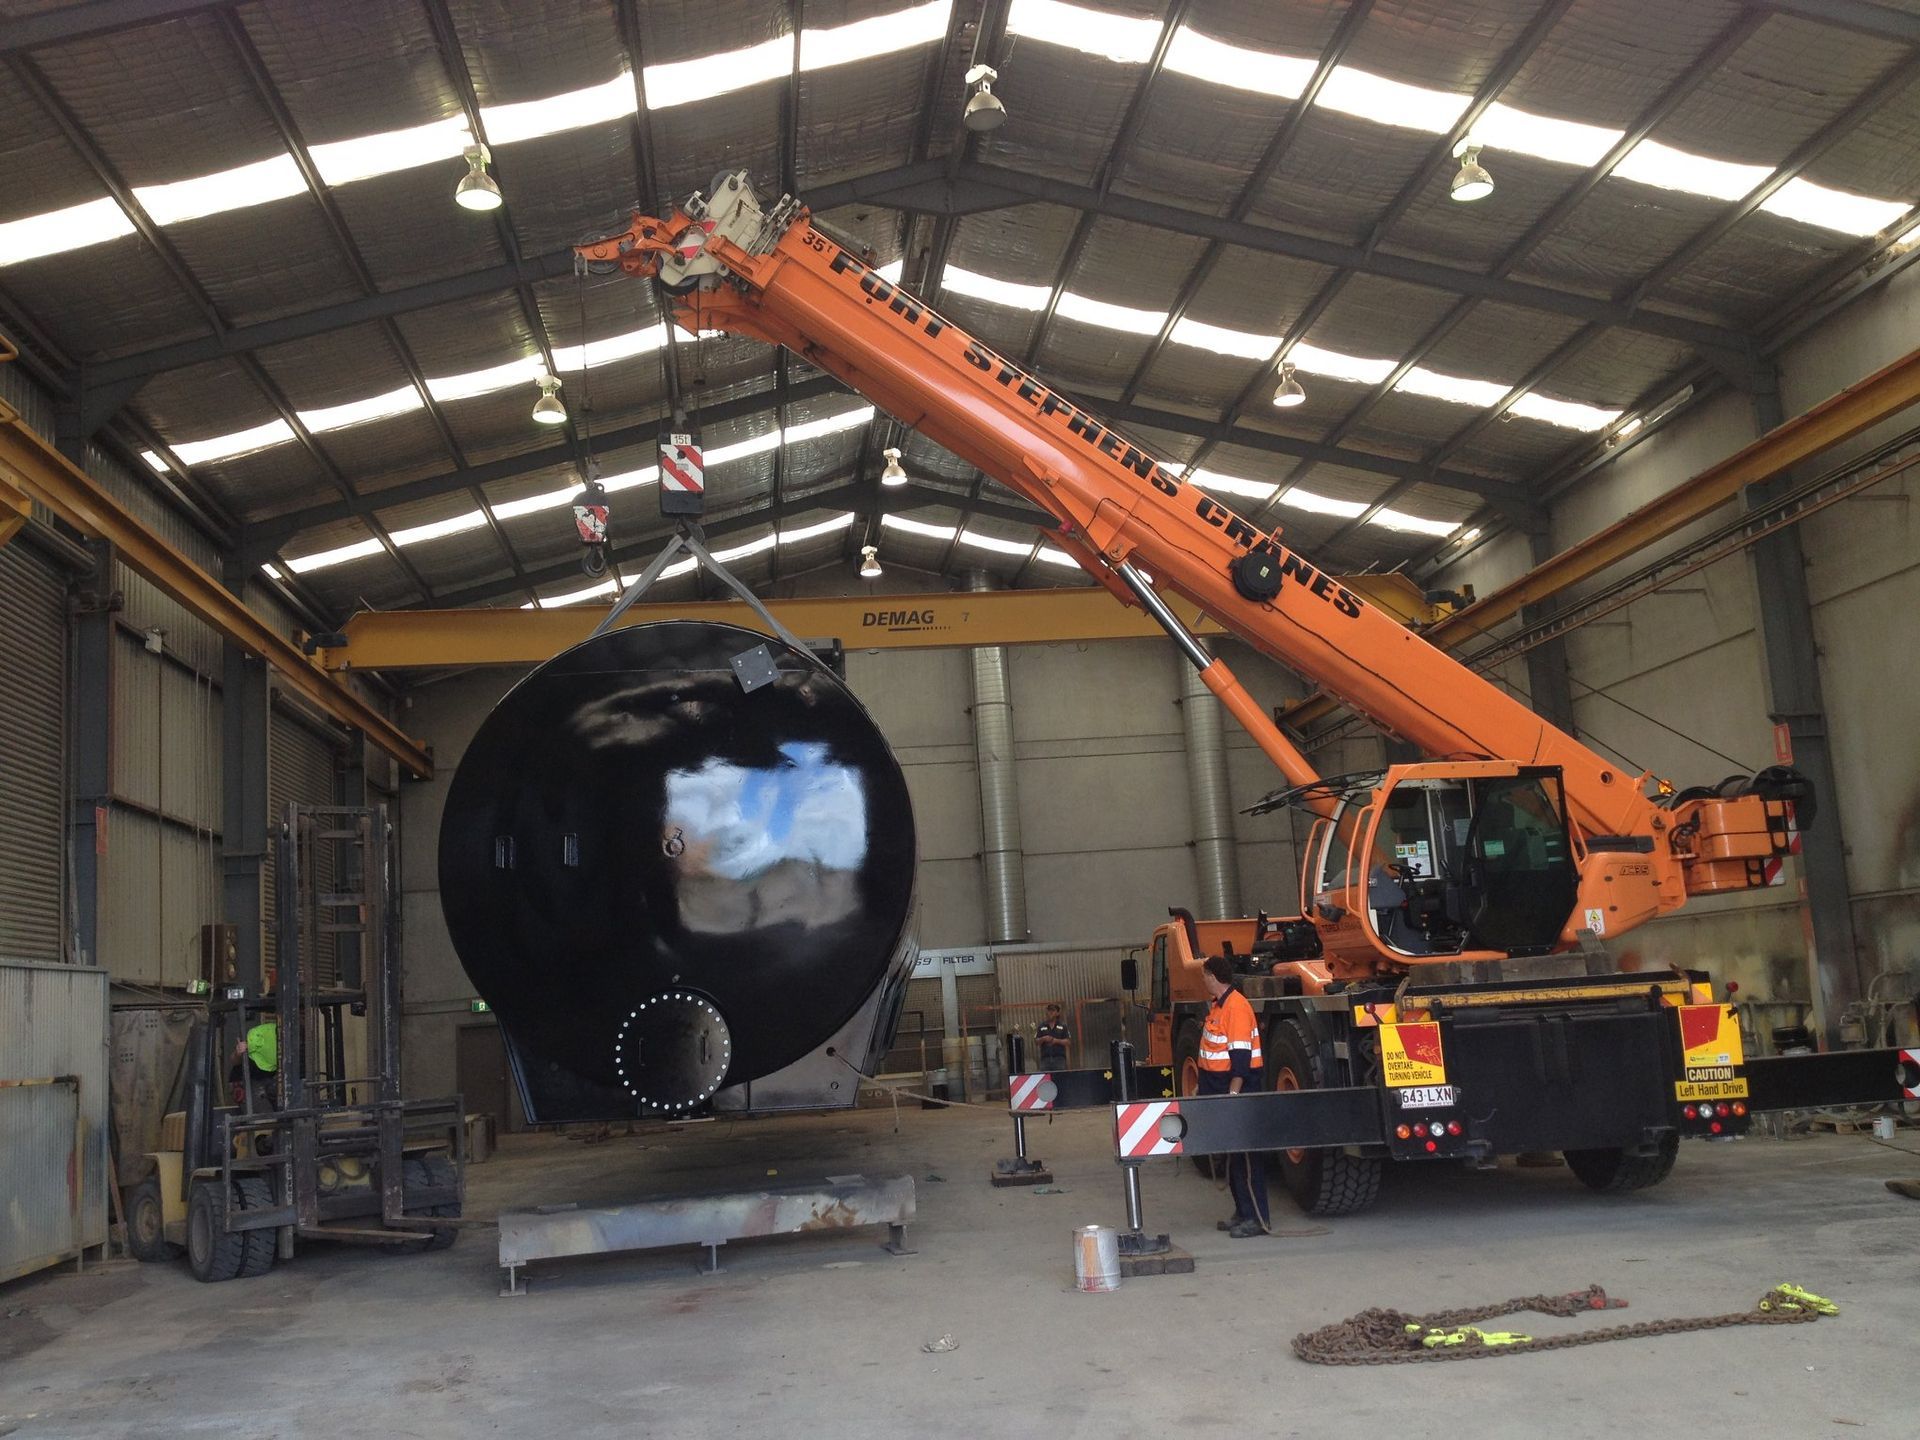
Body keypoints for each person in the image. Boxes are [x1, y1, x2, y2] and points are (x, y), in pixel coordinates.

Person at [1198, 954, 1270, 1238]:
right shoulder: (1219, 1006)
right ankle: (1243, 1212)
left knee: (1247, 1158)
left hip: (1237, 1094)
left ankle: (1257, 1218)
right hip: (1219, 1092)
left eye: (1204, 975)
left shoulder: (1236, 1008)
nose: (1203, 980)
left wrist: (1233, 1094)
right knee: (1234, 1158)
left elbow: (1240, 1058)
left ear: (1212, 976)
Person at [1034, 1003, 1071, 1071]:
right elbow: (1036, 1042)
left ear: (1057, 1013)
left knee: (1060, 1077)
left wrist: (1056, 1041)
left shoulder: (1063, 1026)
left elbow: (1068, 1042)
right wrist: (1043, 1039)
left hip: (1059, 1060)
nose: (1050, 1012)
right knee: (1045, 1077)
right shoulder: (1041, 1026)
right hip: (1045, 1060)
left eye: (1053, 1010)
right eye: (1049, 1010)